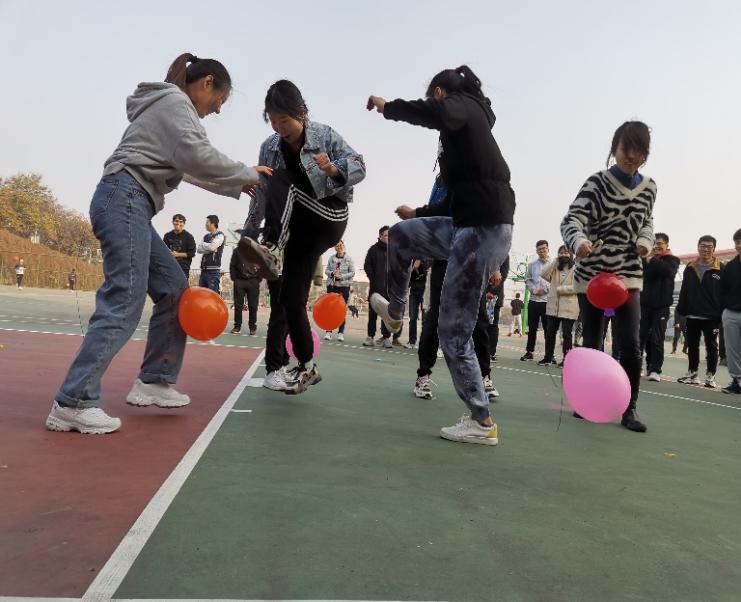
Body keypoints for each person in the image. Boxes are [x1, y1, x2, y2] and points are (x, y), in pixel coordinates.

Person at [45, 53, 270, 434]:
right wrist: (246, 172)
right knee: (124, 299)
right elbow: (197, 155)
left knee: (173, 289)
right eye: (219, 101)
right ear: (207, 83)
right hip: (125, 198)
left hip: (129, 201)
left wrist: (237, 182)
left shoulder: (169, 107)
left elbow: (189, 168)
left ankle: (154, 380)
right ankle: (74, 401)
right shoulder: (175, 103)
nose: (217, 110)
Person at [367, 64, 514, 445]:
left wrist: (388, 107)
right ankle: (396, 312)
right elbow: (451, 202)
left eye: (434, 99)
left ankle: (482, 422)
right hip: (465, 225)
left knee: (453, 332)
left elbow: (439, 112)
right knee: (401, 235)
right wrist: (417, 214)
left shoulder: (463, 105)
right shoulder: (467, 135)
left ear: (438, 93)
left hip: (482, 231)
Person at [237, 79, 366, 394]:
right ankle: (306, 365)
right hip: (296, 231)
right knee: (290, 299)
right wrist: (248, 238)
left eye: (285, 120)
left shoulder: (324, 135)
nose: (280, 128)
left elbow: (360, 165)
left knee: (281, 179)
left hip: (329, 216)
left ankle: (272, 247)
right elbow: (261, 196)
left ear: (301, 113)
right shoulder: (269, 146)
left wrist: (333, 169)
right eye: (273, 121)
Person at [561, 120, 657, 433]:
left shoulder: (650, 187)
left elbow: (647, 223)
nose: (631, 155)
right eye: (626, 148)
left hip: (627, 275)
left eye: (639, 150)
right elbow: (571, 220)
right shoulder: (597, 182)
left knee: (631, 343)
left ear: (645, 153)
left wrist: (645, 242)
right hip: (593, 276)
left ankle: (629, 408)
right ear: (615, 148)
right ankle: (589, 402)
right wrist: (579, 241)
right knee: (593, 343)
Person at [676, 235, 724, 388]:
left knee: (712, 346)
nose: (706, 249)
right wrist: (681, 309)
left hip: (712, 316)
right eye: (703, 246)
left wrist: (721, 313)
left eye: (709, 246)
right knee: (692, 346)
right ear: (698, 247)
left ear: (714, 249)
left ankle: (710, 376)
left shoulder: (721, 268)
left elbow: (725, 293)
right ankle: (693, 374)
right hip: (692, 314)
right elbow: (684, 290)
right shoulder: (690, 267)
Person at [639, 232, 679, 381]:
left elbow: (668, 272)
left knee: (657, 338)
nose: (656, 246)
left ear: (667, 245)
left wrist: (653, 260)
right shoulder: (645, 259)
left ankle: (656, 370)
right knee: (641, 337)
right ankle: (639, 366)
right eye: (654, 243)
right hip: (644, 305)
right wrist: (649, 261)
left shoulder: (673, 260)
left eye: (660, 243)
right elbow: (645, 275)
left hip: (661, 306)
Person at [538, 245, 578, 367]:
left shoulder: (576, 268)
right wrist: (555, 261)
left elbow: (578, 286)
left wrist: (562, 289)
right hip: (553, 306)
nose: (563, 255)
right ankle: (548, 358)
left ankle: (567, 360)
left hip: (569, 307)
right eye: (561, 253)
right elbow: (543, 273)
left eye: (566, 253)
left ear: (571, 255)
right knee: (550, 333)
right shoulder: (555, 268)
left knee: (567, 334)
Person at [363, 226, 402, 348]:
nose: (389, 238)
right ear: (380, 236)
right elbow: (367, 266)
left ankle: (386, 338)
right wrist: (374, 280)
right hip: (375, 289)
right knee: (372, 315)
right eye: (387, 235)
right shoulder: (373, 250)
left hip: (389, 290)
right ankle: (370, 337)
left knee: (386, 314)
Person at [520, 240, 550, 361]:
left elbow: (556, 281)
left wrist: (545, 290)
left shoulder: (554, 264)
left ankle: (549, 355)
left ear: (548, 249)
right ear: (536, 251)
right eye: (539, 249)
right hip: (533, 301)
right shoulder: (532, 265)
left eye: (544, 248)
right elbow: (527, 279)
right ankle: (529, 352)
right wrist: (533, 290)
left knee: (548, 330)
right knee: (532, 328)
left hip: (547, 301)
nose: (542, 251)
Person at [720, 228, 741, 394]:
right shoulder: (730, 266)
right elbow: (722, 290)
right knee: (732, 350)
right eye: (737, 242)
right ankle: (737, 381)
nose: (739, 245)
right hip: (731, 313)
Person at [324, 240, 355, 342]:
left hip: (344, 287)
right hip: (332, 286)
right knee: (330, 309)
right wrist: (332, 273)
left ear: (343, 246)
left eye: (341, 245)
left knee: (341, 310)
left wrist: (341, 276)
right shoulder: (331, 258)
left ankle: (340, 333)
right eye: (337, 246)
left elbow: (352, 272)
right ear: (334, 248)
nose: (339, 247)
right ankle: (328, 331)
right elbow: (326, 270)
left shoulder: (349, 259)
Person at [229, 248, 261, 335]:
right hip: (239, 281)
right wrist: (234, 279)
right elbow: (232, 265)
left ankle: (252, 327)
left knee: (253, 306)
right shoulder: (237, 250)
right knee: (238, 305)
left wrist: (258, 279)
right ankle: (237, 326)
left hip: (253, 281)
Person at [486, 255, 509, 361]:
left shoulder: (503, 254)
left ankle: (490, 353)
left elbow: (503, 275)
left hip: (494, 296)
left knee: (492, 325)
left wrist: (492, 291)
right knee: (477, 324)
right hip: (478, 295)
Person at [197, 214, 225, 293]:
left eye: (207, 222)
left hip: (213, 272)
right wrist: (209, 247)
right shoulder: (206, 236)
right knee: (202, 295)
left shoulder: (220, 235)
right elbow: (199, 249)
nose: (206, 224)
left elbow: (212, 247)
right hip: (203, 271)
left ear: (213, 224)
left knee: (212, 296)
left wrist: (206, 246)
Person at [163, 213, 197, 277]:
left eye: (181, 222)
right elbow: (163, 250)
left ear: (184, 224)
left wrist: (177, 254)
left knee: (182, 284)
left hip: (183, 268)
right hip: (169, 267)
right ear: (173, 222)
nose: (178, 223)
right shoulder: (167, 236)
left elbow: (192, 253)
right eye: (176, 221)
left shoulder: (189, 237)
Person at [405, 259, 428, 348]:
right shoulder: (414, 258)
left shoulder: (428, 258)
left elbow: (427, 275)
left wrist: (418, 269)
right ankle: (412, 341)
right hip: (414, 292)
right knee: (413, 317)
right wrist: (413, 269)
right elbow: (410, 277)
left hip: (424, 292)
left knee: (425, 319)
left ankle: (424, 342)